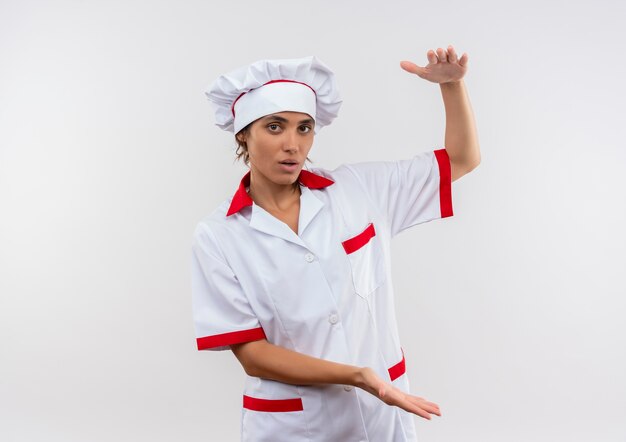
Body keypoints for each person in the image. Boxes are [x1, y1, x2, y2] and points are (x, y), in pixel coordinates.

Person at [192, 46, 480, 441]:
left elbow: (462, 158)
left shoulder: (359, 191)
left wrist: (452, 86)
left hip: (381, 414)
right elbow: (253, 355)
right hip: (293, 425)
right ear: (244, 133)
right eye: (274, 127)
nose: (292, 144)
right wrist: (357, 375)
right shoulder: (219, 235)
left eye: (304, 128)